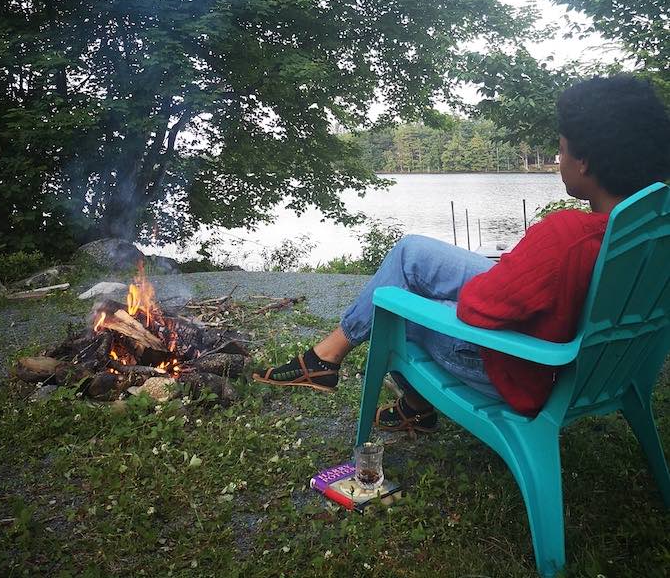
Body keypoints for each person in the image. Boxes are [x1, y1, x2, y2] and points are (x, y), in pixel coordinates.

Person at [253, 75, 670, 430]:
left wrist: (465, 288)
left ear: (585, 162)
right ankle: (370, 382)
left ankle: (341, 369)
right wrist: (513, 271)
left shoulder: (568, 234)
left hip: (523, 368)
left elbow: (478, 309)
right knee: (411, 253)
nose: (559, 160)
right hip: (592, 362)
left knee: (400, 305)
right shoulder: (648, 229)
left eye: (561, 150)